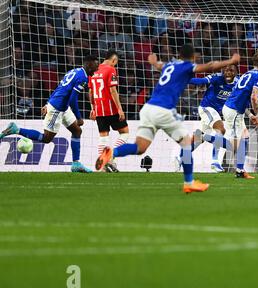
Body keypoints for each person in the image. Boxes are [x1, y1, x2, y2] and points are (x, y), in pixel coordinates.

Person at [96, 44, 240, 193]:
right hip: (163, 110)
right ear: (192, 57)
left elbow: (159, 66)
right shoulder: (186, 66)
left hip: (148, 109)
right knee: (187, 143)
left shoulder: (170, 65)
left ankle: (112, 153)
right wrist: (230, 60)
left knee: (140, 148)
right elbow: (210, 65)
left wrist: (153, 62)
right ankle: (189, 183)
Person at [0, 55, 99, 172]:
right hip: (57, 108)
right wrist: (79, 117)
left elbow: (60, 88)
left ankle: (76, 164)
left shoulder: (75, 71)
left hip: (63, 106)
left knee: (77, 131)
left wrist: (48, 102)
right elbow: (72, 99)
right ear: (88, 64)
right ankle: (16, 129)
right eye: (95, 64)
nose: (97, 67)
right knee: (46, 138)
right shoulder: (83, 77)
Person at [186, 64, 258, 172]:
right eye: (226, 70)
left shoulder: (238, 83)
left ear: (236, 73)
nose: (228, 72)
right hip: (207, 108)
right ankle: (215, 162)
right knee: (221, 130)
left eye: (231, 70)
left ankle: (182, 156)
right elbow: (200, 81)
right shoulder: (217, 78)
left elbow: (253, 94)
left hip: (219, 111)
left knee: (200, 139)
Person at [209, 50, 258, 179]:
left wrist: (249, 115)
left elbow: (241, 95)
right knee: (233, 145)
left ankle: (240, 170)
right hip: (234, 111)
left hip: (234, 109)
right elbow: (254, 98)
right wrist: (257, 115)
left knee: (245, 136)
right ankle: (203, 137)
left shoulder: (248, 73)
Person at [89, 49, 129, 172]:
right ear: (113, 59)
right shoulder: (111, 69)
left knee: (103, 138)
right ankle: (111, 157)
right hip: (110, 109)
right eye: (115, 62)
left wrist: (93, 108)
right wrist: (120, 109)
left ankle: (103, 167)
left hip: (99, 109)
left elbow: (90, 92)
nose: (115, 65)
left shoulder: (93, 70)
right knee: (125, 132)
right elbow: (113, 90)